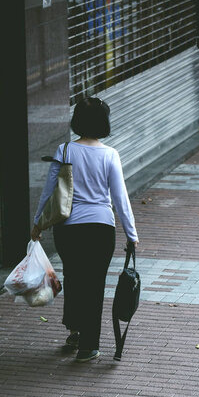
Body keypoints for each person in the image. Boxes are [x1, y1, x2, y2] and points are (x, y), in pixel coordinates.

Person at [31, 97, 139, 362]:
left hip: (68, 229)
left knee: (76, 279)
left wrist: (37, 224)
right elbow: (120, 198)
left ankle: (76, 330)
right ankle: (88, 346)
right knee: (94, 285)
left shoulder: (65, 150)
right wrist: (131, 233)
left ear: (77, 120)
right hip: (101, 229)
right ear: (104, 122)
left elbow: (49, 192)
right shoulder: (110, 154)